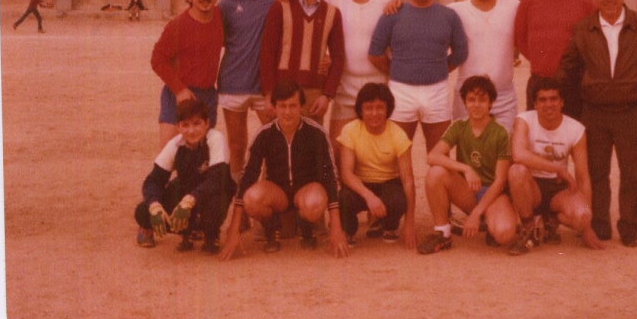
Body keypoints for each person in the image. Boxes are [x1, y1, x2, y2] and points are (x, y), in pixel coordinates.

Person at [557, 0, 637, 247]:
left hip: (631, 110)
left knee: (632, 173)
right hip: (594, 112)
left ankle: (630, 227)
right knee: (596, 173)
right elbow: (569, 67)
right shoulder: (583, 28)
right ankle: (599, 224)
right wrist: (556, 97)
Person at [219, 80, 349, 259]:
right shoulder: (264, 134)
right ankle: (272, 228)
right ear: (274, 107)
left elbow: (330, 177)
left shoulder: (316, 133)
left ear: (301, 106)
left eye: (293, 106)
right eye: (282, 106)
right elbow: (247, 177)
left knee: (315, 202)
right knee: (251, 198)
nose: (287, 112)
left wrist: (336, 228)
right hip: (277, 194)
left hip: (305, 191)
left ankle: (306, 227)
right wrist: (234, 230)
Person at [368, 0, 468, 152]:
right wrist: (397, 69)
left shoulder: (449, 16)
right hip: (401, 92)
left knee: (439, 156)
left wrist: (438, 68)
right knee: (397, 155)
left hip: (437, 92)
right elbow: (374, 53)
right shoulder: (392, 14)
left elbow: (461, 52)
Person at [417, 76, 518, 254]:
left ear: (491, 103)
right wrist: (465, 168)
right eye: (471, 99)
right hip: (470, 190)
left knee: (504, 234)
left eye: (482, 99)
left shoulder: (501, 132)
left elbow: (500, 181)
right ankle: (443, 233)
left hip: (494, 194)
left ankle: (488, 221)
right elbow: (432, 156)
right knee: (436, 173)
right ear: (464, 102)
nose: (476, 105)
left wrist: (476, 213)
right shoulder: (459, 127)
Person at [506, 78, 605, 255]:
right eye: (542, 100)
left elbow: (582, 176)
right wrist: (558, 168)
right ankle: (529, 227)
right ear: (535, 104)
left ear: (562, 102)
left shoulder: (576, 129)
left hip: (558, 189)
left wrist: (587, 227)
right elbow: (518, 154)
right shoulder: (524, 120)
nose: (548, 104)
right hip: (532, 185)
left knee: (583, 216)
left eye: (553, 99)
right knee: (516, 170)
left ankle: (551, 220)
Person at [325, 0, 396, 168]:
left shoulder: (388, 1)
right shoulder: (333, 1)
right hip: (345, 88)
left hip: (378, 86)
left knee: (378, 152)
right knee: (338, 149)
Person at [134, 99, 234, 254]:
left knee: (212, 209)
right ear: (179, 127)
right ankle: (187, 231)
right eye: (185, 125)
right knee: (142, 212)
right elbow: (153, 180)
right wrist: (155, 205)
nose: (191, 130)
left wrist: (189, 200)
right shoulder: (174, 145)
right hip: (187, 193)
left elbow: (217, 180)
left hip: (213, 194)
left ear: (207, 123)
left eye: (196, 123)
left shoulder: (215, 139)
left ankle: (211, 233)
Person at [217, 0, 279, 181]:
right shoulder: (227, 4)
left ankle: (266, 195)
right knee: (237, 146)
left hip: (266, 88)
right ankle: (239, 202)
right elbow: (215, 42)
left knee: (274, 144)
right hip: (233, 83)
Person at [260, 0, 345, 123]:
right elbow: (267, 51)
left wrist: (327, 95)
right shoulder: (280, 6)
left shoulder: (332, 13)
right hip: (283, 91)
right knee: (280, 146)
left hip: (314, 94)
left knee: (311, 147)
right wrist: (269, 94)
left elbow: (339, 57)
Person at [514, 0, 594, 118]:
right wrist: (541, 61)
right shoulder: (529, 2)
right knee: (538, 137)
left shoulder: (585, 3)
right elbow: (519, 39)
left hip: (574, 85)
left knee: (573, 135)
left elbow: (596, 41)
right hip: (539, 82)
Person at [337, 82, 417, 249]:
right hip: (360, 184)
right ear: (360, 110)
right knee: (344, 198)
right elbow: (346, 173)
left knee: (398, 200)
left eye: (380, 107)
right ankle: (349, 230)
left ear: (388, 109)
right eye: (369, 108)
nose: (374, 113)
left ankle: (389, 225)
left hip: (388, 183)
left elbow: (408, 180)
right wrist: (369, 196)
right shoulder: (350, 130)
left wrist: (409, 224)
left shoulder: (398, 134)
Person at [150, 0, 224, 147]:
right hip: (178, 93)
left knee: (200, 156)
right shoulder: (178, 26)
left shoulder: (221, 18)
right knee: (169, 154)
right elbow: (157, 59)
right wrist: (179, 89)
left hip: (206, 96)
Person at [448, 0, 520, 133]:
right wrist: (395, 5)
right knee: (468, 156)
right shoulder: (454, 11)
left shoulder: (513, 7)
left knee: (504, 156)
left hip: (503, 97)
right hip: (468, 97)